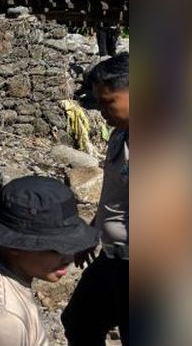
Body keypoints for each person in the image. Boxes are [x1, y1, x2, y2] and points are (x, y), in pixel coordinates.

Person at [0, 176, 99, 346]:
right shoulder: (1, 319)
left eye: (71, 245)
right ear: (15, 245)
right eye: (55, 248)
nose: (69, 257)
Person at [62, 52, 129, 346]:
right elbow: (114, 194)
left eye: (107, 102)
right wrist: (94, 231)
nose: (101, 111)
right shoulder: (119, 136)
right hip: (114, 255)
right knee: (79, 320)